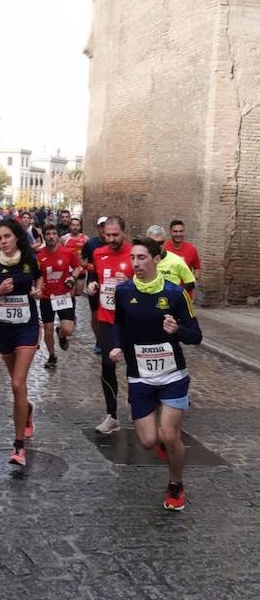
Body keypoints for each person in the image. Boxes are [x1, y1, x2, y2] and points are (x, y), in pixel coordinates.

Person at [109, 236, 202, 511]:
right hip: (140, 377)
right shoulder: (124, 292)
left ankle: (176, 484)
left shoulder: (175, 293)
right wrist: (116, 346)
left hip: (173, 376)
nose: (135, 263)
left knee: (170, 435)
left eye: (142, 258)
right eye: (133, 258)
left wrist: (178, 331)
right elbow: (119, 325)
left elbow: (196, 335)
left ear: (156, 260)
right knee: (149, 442)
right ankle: (166, 445)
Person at [0, 218, 43, 468]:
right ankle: (28, 409)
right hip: (2, 330)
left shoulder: (28, 259)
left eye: (7, 237)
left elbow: (38, 278)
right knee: (18, 387)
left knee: (17, 383)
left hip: (27, 327)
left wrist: (37, 290)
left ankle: (18, 446)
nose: (3, 242)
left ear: (17, 237)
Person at [87, 216, 133, 434]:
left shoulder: (135, 254)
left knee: (136, 366)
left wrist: (130, 284)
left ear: (124, 232)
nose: (112, 239)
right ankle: (112, 415)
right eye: (108, 235)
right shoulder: (98, 253)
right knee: (107, 364)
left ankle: (140, 406)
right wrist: (93, 287)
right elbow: (96, 278)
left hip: (131, 320)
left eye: (116, 235)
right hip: (106, 318)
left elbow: (149, 283)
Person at [36, 224, 80, 367]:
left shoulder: (67, 252)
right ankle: (52, 356)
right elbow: (36, 275)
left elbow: (78, 267)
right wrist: (37, 287)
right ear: (44, 236)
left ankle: (60, 334)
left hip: (64, 296)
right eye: (48, 234)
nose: (51, 236)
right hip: (46, 297)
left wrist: (72, 278)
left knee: (68, 329)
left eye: (54, 233)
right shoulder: (39, 255)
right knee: (47, 332)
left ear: (58, 236)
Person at [146, 226, 196, 297]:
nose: (157, 246)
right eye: (154, 243)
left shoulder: (176, 260)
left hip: (169, 305)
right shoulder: (142, 260)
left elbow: (191, 282)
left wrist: (176, 295)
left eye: (161, 243)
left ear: (165, 241)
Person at [81, 217, 107, 354]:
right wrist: (86, 265)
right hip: (94, 279)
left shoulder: (113, 243)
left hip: (109, 280)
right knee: (96, 314)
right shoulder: (91, 243)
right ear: (98, 228)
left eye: (106, 226)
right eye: (101, 226)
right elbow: (80, 258)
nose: (104, 229)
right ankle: (99, 340)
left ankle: (110, 339)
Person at [61, 216, 88, 295]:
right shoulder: (64, 238)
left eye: (77, 225)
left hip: (81, 269)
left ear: (80, 227)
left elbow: (89, 253)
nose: (75, 227)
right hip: (69, 270)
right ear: (70, 226)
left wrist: (86, 264)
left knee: (79, 293)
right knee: (70, 294)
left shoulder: (85, 238)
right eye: (73, 225)